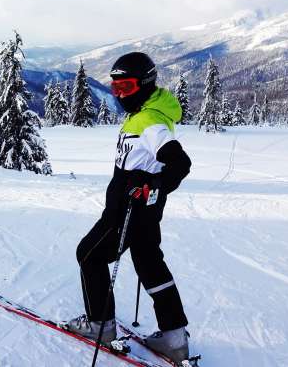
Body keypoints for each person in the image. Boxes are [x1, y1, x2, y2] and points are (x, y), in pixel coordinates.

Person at [61, 52, 192, 364]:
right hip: (145, 210)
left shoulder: (149, 122)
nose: (120, 95)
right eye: (115, 88)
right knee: (149, 263)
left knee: (89, 255)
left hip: (127, 210)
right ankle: (174, 337)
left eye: (127, 87)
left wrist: (156, 185)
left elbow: (180, 162)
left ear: (145, 84)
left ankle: (100, 326)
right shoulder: (146, 113)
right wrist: (153, 186)